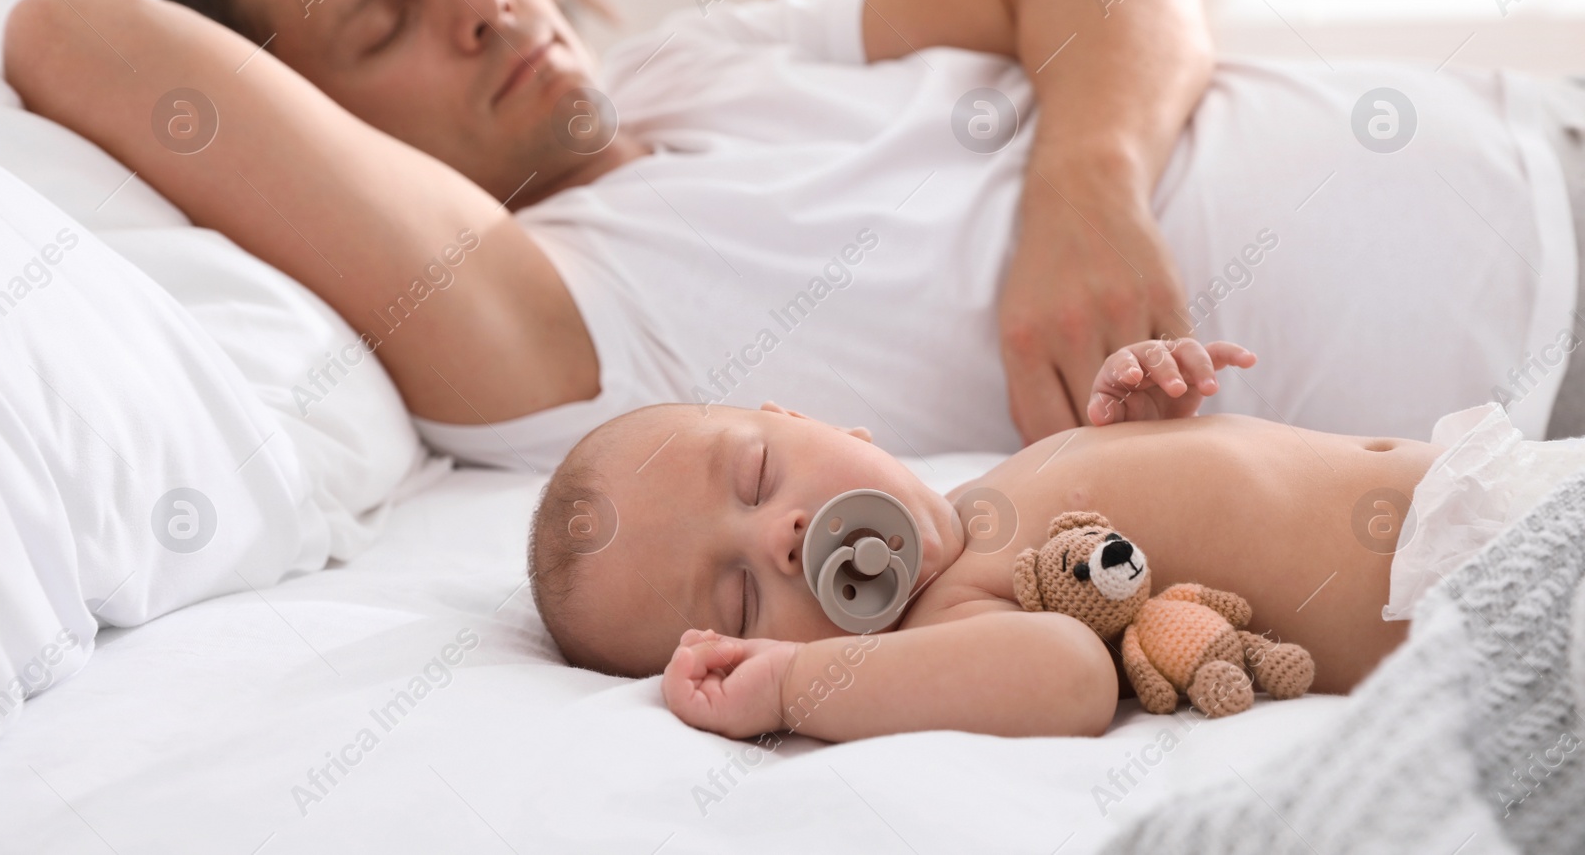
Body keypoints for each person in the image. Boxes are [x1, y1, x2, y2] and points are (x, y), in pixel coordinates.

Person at [2, 0, 1582, 479]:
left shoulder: (690, 59)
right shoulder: (543, 319)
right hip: (1541, 376)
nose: (488, 5)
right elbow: (75, 44)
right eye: (390, 22)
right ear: (316, 119)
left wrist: (1082, 188)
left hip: (1542, 139)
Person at [528, 337, 1584, 742]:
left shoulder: (1000, 482)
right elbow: (1068, 672)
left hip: (1512, 481)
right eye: (743, 600)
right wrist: (796, 683)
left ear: (813, 421)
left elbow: (1159, 526)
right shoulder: (949, 611)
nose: (783, 536)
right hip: (1490, 578)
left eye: (758, 475)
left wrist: (1142, 417)